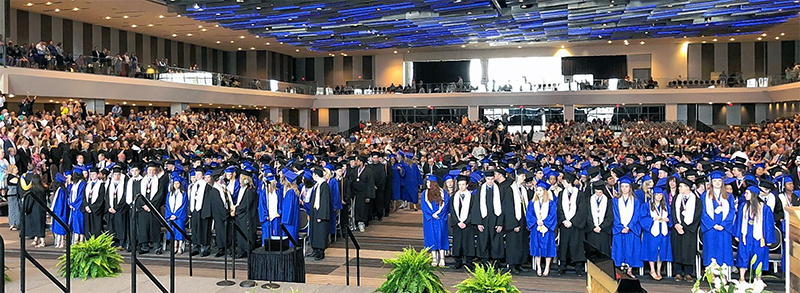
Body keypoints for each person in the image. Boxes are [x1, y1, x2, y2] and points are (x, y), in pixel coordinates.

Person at [735, 185, 775, 282]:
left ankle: (758, 278)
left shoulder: (765, 208)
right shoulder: (743, 207)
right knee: (743, 256)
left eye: (747, 193)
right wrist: (737, 234)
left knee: (759, 257)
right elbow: (738, 221)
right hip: (746, 235)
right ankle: (742, 278)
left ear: (753, 195)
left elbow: (769, 225)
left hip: (759, 237)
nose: (745, 195)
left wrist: (768, 239)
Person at [701, 171, 736, 268]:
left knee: (724, 250)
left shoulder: (729, 196)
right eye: (715, 181)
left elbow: (732, 211)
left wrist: (723, 224)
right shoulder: (705, 196)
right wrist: (713, 225)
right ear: (711, 182)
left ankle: (724, 274)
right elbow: (703, 212)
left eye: (719, 181)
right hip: (711, 228)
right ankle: (711, 274)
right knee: (711, 250)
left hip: (724, 228)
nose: (717, 183)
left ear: (722, 182)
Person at [670, 179, 701, 282]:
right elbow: (673, 212)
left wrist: (687, 227)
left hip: (689, 230)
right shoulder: (676, 198)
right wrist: (677, 224)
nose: (679, 188)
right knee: (677, 250)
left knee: (689, 251)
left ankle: (688, 273)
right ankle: (678, 272)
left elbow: (697, 215)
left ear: (688, 187)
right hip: (677, 229)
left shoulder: (696, 200)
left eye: (681, 186)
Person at [612, 176, 642, 278]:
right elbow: (615, 215)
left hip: (631, 229)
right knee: (619, 249)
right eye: (623, 186)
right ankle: (619, 271)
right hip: (619, 229)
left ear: (630, 188)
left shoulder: (636, 201)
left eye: (626, 186)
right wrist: (621, 227)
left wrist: (629, 226)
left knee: (631, 249)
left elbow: (636, 215)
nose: (624, 189)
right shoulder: (615, 200)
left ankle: (629, 270)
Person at [556, 172, 586, 276]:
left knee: (576, 245)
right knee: (563, 245)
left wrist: (572, 222)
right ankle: (562, 266)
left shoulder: (580, 194)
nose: (562, 182)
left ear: (568, 182)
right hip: (565, 225)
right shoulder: (561, 194)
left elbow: (582, 211)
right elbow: (559, 208)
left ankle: (578, 267)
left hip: (575, 225)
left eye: (563, 181)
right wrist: (564, 220)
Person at [473, 170, 505, 266]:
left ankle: (496, 264)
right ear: (485, 179)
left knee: (496, 242)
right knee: (483, 242)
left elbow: (503, 207)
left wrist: (500, 223)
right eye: (488, 179)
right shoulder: (480, 190)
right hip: (484, 219)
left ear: (494, 179)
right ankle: (484, 264)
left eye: (492, 179)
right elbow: (476, 207)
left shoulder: (499, 190)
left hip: (495, 219)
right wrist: (478, 222)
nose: (490, 181)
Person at [640, 188, 672, 281]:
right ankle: (652, 270)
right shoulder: (646, 206)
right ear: (653, 195)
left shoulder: (666, 206)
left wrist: (668, 220)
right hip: (652, 232)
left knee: (660, 251)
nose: (659, 196)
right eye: (657, 195)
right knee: (652, 250)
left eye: (660, 195)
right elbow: (642, 217)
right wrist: (653, 219)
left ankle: (659, 270)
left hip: (663, 231)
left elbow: (670, 216)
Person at [527, 180, 556, 276]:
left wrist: (544, 222)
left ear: (545, 191)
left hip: (547, 228)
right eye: (537, 190)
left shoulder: (551, 203)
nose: (538, 192)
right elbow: (529, 215)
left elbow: (553, 215)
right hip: (536, 228)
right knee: (536, 247)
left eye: (540, 190)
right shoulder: (532, 203)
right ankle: (538, 267)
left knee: (548, 247)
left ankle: (547, 267)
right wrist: (536, 221)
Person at [137, 162, 166, 254]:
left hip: (154, 209)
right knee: (143, 227)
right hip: (143, 209)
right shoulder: (141, 181)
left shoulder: (159, 182)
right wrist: (143, 205)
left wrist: (151, 206)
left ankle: (156, 247)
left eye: (153, 170)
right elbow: (137, 194)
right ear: (146, 171)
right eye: (150, 170)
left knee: (154, 227)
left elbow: (160, 195)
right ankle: (144, 246)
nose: (151, 172)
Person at [504, 171, 529, 275]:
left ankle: (519, 263)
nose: (524, 178)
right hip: (514, 220)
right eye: (522, 176)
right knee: (513, 243)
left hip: (522, 218)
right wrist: (513, 224)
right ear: (517, 176)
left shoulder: (523, 189)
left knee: (521, 242)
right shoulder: (510, 189)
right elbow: (508, 209)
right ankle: (512, 265)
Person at [422, 174, 449, 267]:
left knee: (441, 236)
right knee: (431, 237)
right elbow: (424, 206)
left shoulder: (443, 192)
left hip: (440, 219)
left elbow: (446, 205)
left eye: (429, 182)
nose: (427, 184)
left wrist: (438, 214)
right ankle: (434, 257)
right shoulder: (425, 193)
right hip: (429, 220)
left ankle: (442, 258)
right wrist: (431, 214)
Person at [449, 175, 475, 270]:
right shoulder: (454, 197)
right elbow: (452, 210)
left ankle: (469, 262)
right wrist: (458, 221)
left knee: (468, 243)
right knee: (458, 243)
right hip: (457, 224)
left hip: (468, 225)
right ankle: (458, 262)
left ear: (467, 185)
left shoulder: (472, 197)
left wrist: (466, 222)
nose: (461, 187)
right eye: (459, 184)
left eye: (463, 184)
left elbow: (474, 211)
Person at [233, 170, 257, 258]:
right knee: (240, 234)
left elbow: (246, 204)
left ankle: (248, 250)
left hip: (247, 215)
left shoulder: (250, 190)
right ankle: (241, 250)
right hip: (240, 215)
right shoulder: (242, 189)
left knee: (247, 233)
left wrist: (236, 209)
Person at [309, 168, 331, 261]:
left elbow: (324, 201)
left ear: (317, 175)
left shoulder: (324, 185)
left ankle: (321, 252)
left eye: (313, 175)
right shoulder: (317, 185)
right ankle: (315, 250)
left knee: (321, 233)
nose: (312, 176)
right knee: (315, 232)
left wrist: (321, 215)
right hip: (315, 212)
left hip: (320, 213)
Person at [21, 168, 47, 247]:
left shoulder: (32, 190)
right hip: (42, 209)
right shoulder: (43, 189)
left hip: (34, 210)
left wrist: (26, 209)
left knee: (36, 224)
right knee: (41, 224)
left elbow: (30, 201)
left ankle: (42, 241)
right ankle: (36, 239)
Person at [189, 168, 211, 256]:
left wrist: (206, 212)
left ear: (203, 175)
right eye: (196, 174)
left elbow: (209, 200)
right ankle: (195, 247)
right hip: (194, 210)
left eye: (199, 174)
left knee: (204, 229)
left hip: (203, 211)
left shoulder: (207, 186)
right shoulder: (193, 186)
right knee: (195, 229)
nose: (197, 176)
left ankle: (205, 248)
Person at [105, 166, 128, 249]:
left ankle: (121, 243)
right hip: (111, 209)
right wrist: (109, 207)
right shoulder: (109, 185)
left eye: (118, 175)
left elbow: (124, 197)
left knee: (120, 226)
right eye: (115, 175)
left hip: (120, 210)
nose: (117, 176)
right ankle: (112, 242)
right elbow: (106, 197)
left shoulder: (124, 184)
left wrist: (117, 208)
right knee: (111, 226)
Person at [165, 176, 188, 255]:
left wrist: (177, 215)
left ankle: (180, 247)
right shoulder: (169, 194)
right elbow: (167, 205)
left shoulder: (183, 194)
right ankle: (174, 247)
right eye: (174, 183)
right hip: (171, 216)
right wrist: (170, 214)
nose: (176, 185)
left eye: (177, 183)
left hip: (179, 217)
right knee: (172, 231)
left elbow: (183, 206)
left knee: (180, 231)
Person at [125, 163, 144, 252]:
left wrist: (138, 205)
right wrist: (131, 204)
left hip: (140, 208)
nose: (134, 172)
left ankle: (140, 245)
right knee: (131, 226)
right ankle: (132, 245)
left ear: (139, 171)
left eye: (136, 170)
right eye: (132, 171)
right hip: (131, 206)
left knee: (139, 227)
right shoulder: (130, 181)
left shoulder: (142, 181)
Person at [83, 167, 106, 238]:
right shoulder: (88, 184)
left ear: (98, 175)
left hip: (96, 210)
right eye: (91, 174)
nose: (92, 176)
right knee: (88, 228)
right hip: (87, 209)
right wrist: (86, 206)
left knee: (96, 228)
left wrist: (92, 208)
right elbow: (83, 196)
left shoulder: (101, 185)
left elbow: (100, 199)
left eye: (94, 174)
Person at [51, 172, 70, 248]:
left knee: (60, 228)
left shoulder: (60, 191)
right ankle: (60, 242)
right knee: (60, 228)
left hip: (60, 212)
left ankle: (61, 242)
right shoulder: (63, 190)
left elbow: (59, 203)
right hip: (62, 211)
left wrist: (57, 212)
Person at [69, 167, 86, 243]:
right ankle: (76, 240)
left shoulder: (82, 183)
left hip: (79, 207)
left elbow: (80, 196)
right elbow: (70, 194)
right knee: (75, 223)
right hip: (74, 207)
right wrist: (70, 203)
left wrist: (75, 205)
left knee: (80, 222)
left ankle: (81, 239)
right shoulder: (74, 184)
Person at [5, 164, 19, 232]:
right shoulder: (11, 177)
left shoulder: (16, 176)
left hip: (16, 194)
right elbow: (18, 182)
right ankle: (12, 224)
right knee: (12, 209)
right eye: (15, 168)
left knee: (16, 209)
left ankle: (17, 222)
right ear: (12, 170)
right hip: (12, 195)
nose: (17, 169)